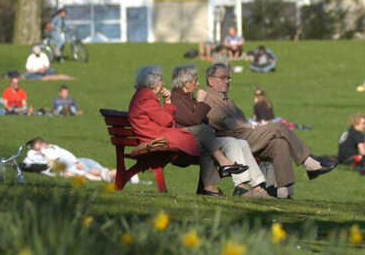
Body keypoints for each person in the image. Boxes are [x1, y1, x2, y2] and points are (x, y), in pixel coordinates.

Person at [198, 63, 336, 199]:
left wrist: (251, 126)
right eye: (223, 77)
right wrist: (251, 126)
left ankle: (283, 191)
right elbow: (222, 122)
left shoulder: (228, 100)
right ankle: (309, 163)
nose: (227, 81)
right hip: (232, 140)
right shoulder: (207, 97)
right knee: (278, 126)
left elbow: (238, 122)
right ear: (210, 80)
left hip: (244, 137)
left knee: (279, 143)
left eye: (229, 78)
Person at [128, 65, 247, 197]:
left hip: (158, 136)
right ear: (151, 83)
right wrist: (167, 102)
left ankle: (209, 187)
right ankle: (223, 163)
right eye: (161, 80)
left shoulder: (143, 97)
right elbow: (166, 121)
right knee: (202, 130)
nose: (163, 83)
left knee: (204, 141)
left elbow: (163, 120)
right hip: (157, 139)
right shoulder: (146, 98)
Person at [170, 64, 271, 199]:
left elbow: (201, 122)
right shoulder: (176, 98)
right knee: (232, 143)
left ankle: (258, 187)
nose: (198, 83)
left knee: (239, 143)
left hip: (203, 140)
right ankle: (241, 187)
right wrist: (200, 101)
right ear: (185, 82)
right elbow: (194, 122)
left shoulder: (188, 97)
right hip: (189, 143)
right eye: (195, 80)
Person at [30, 137, 118, 182]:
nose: (39, 151)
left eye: (39, 148)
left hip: (77, 163)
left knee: (96, 173)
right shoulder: (41, 156)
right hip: (75, 164)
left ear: (44, 144)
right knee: (98, 173)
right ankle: (120, 175)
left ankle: (118, 175)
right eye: (36, 150)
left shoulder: (52, 149)